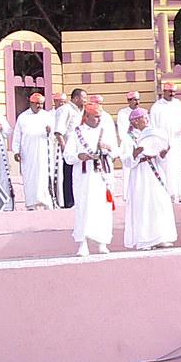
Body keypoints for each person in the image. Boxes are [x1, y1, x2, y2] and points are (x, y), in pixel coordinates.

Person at [121, 108, 178, 250]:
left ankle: (161, 237)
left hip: (155, 172)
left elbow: (160, 157)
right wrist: (134, 154)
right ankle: (144, 240)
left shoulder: (153, 134)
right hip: (140, 175)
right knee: (143, 204)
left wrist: (163, 154)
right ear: (135, 121)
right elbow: (126, 161)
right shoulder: (128, 138)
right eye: (144, 118)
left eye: (147, 117)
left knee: (159, 202)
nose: (147, 120)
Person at [64, 102, 114, 256]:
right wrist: (79, 156)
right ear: (86, 116)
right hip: (84, 177)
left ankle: (102, 242)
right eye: (96, 117)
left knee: (103, 207)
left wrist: (108, 148)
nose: (99, 120)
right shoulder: (76, 133)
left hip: (102, 175)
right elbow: (67, 156)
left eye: (100, 117)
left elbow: (117, 152)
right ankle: (83, 243)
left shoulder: (105, 131)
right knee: (84, 207)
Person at [150, 81, 181, 202]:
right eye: (170, 91)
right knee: (166, 168)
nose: (172, 94)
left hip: (178, 142)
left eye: (174, 91)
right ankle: (169, 194)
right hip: (164, 144)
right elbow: (153, 127)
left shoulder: (178, 105)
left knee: (179, 167)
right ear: (164, 91)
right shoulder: (157, 107)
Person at [12, 93, 54, 209]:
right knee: (29, 177)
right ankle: (31, 203)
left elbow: (54, 136)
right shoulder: (23, 117)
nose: (39, 106)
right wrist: (16, 151)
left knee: (43, 177)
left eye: (41, 104)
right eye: (37, 103)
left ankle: (46, 202)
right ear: (31, 103)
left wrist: (50, 131)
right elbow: (17, 136)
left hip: (43, 153)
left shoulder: (47, 116)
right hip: (28, 153)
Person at [53, 88, 86, 208]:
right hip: (68, 147)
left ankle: (78, 199)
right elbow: (59, 131)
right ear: (76, 98)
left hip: (80, 148)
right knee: (68, 175)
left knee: (79, 174)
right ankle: (69, 202)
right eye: (84, 98)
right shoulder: (65, 110)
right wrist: (64, 147)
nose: (85, 100)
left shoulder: (81, 111)